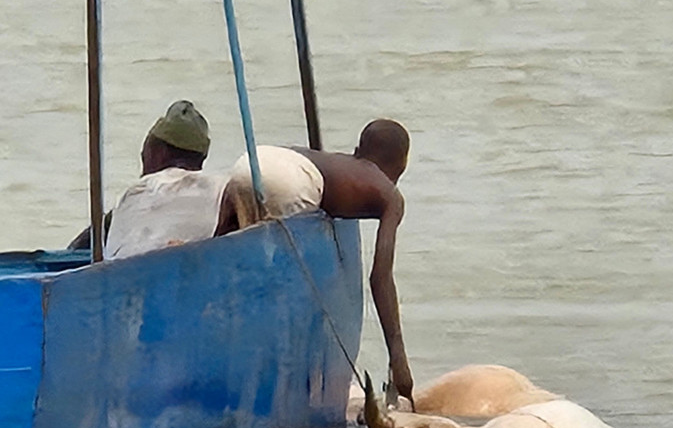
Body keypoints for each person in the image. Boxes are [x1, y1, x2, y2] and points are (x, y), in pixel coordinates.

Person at [216, 120, 415, 405]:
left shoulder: (337, 164)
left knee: (230, 259)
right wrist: (398, 357)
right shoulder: (389, 194)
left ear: (357, 149)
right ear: (402, 166)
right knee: (289, 291)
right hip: (293, 181)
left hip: (254, 160)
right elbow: (380, 277)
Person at [69, 100, 225, 259]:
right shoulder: (220, 194)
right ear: (201, 160)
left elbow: (76, 249)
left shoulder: (138, 194)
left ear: (158, 153)